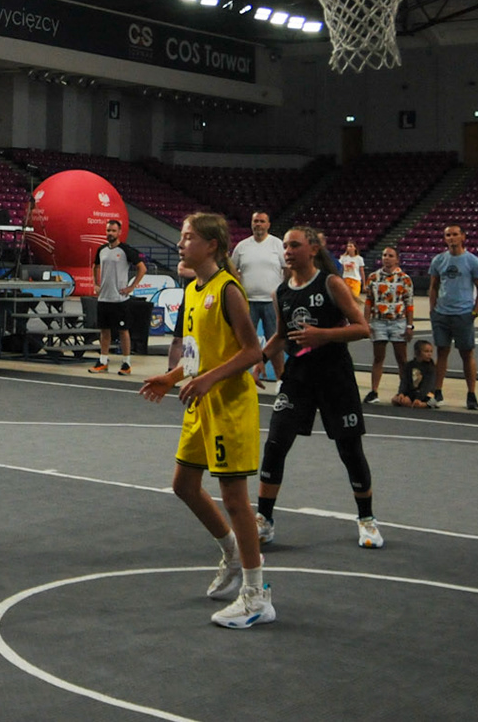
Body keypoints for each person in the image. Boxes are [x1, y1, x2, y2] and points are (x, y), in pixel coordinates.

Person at [139, 211, 270, 628]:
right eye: (182, 237)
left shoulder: (228, 289)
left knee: (235, 499)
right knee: (184, 485)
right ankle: (231, 551)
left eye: (189, 237)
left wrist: (209, 379)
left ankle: (257, 596)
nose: (181, 244)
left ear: (211, 245)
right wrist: (173, 376)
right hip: (202, 401)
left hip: (229, 404)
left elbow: (253, 351)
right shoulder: (193, 290)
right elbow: (199, 354)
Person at [255, 225, 381, 549]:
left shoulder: (331, 283)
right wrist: (259, 359)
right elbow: (281, 335)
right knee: (275, 443)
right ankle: (264, 519)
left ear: (312, 249)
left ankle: (367, 519)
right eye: (285, 245)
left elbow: (362, 328)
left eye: (294, 245)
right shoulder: (281, 292)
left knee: (349, 449)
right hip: (298, 377)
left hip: (335, 375)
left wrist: (322, 335)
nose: (288, 251)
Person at [426, 225, 478, 409]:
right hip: (442, 314)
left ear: (463, 237)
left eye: (455, 234)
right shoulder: (438, 260)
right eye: (448, 235)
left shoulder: (472, 261)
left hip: (463, 314)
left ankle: (471, 394)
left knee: (467, 353)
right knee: (442, 352)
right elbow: (434, 286)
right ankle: (437, 391)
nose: (451, 238)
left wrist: (475, 312)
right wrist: (433, 310)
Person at [231, 212, 286, 386]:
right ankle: (238, 380)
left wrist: (284, 292)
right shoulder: (242, 246)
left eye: (262, 221)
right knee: (242, 343)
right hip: (247, 302)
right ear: (251, 223)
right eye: (256, 221)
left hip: (271, 303)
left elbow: (287, 269)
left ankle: (281, 380)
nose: (258, 224)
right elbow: (232, 270)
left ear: (268, 224)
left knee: (275, 343)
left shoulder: (277, 244)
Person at [89, 219, 147, 376]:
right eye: (108, 230)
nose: (110, 233)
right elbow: (95, 266)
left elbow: (142, 268)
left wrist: (131, 287)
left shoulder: (126, 250)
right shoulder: (101, 250)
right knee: (104, 331)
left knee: (123, 330)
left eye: (113, 231)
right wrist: (96, 284)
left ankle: (126, 363)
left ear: (119, 232)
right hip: (104, 298)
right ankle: (103, 361)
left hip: (119, 299)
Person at [361, 246, 414, 404]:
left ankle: (404, 389)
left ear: (397, 259)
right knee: (378, 357)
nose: (387, 258)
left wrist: (409, 325)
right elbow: (369, 301)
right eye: (384, 255)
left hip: (398, 321)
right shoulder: (373, 277)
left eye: (390, 255)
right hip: (379, 321)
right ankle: (374, 390)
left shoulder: (404, 279)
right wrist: (366, 322)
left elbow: (409, 303)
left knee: (401, 358)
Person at [391, 339, 440, 408]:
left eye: (431, 351)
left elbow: (428, 385)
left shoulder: (431, 368)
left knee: (433, 399)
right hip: (412, 392)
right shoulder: (409, 365)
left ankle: (424, 404)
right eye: (426, 351)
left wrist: (419, 398)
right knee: (395, 400)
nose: (429, 354)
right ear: (417, 352)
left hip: (426, 393)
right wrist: (401, 393)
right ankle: (412, 402)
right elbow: (404, 381)